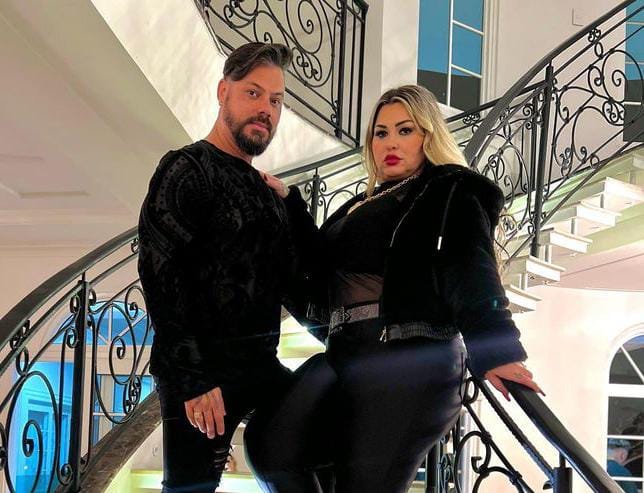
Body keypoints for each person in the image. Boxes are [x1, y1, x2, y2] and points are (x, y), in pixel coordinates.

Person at [244, 85, 543, 493]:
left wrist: (498, 350)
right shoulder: (362, 202)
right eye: (380, 133)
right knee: (271, 447)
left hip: (410, 358)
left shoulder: (447, 189)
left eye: (405, 130)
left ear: (428, 135)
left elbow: (469, 266)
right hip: (348, 350)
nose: (390, 143)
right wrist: (289, 203)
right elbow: (320, 264)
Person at [137, 42, 300, 492]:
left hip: (261, 367)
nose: (266, 109)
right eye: (253, 93)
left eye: (276, 101)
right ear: (223, 92)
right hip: (201, 374)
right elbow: (161, 274)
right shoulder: (187, 168)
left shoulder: (267, 192)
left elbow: (291, 280)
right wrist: (194, 379)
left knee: (322, 425)